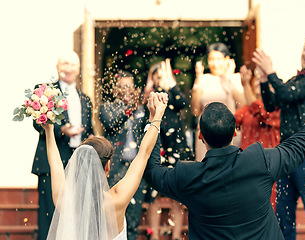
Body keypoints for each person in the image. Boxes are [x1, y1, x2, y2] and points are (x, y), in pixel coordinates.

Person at [144, 66, 305, 239]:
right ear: (234, 132)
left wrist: (155, 120)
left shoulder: (187, 175)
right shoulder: (261, 161)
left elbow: (152, 171)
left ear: (200, 136)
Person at [43, 92, 168, 240]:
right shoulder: (118, 198)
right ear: (107, 167)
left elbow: (56, 165)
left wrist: (49, 131)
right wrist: (156, 116)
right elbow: (144, 154)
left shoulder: (65, 200)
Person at [252, 35, 305, 239]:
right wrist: (263, 79)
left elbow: (286, 94)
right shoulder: (295, 80)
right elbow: (271, 104)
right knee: (283, 215)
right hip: (286, 152)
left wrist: (271, 72)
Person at [31, 51, 94, 240]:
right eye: (65, 63)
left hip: (77, 164)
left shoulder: (86, 99)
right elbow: (37, 123)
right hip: (51, 162)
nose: (68, 68)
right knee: (49, 217)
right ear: (58, 67)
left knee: (74, 216)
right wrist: (61, 129)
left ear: (78, 69)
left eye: (73, 64)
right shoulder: (45, 92)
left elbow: (89, 130)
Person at [144, 59, 194, 240]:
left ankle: (175, 236)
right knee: (154, 197)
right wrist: (149, 87)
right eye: (156, 77)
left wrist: (171, 83)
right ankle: (155, 236)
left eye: (162, 76)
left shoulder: (172, 94)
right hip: (158, 148)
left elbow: (183, 103)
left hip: (177, 149)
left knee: (177, 197)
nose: (160, 80)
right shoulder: (150, 97)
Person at [99, 70, 153, 240]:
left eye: (130, 86)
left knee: (133, 219)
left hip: (136, 170)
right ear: (115, 89)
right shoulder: (106, 107)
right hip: (115, 168)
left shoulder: (142, 110)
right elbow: (111, 123)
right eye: (123, 86)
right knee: (112, 219)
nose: (127, 90)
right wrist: (130, 108)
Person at [234, 65, 280, 210]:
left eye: (263, 85)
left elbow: (261, 111)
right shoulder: (246, 109)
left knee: (268, 208)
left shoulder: (276, 108)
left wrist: (245, 84)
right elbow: (230, 122)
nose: (259, 88)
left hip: (268, 166)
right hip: (247, 166)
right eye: (256, 85)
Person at [191, 42, 245, 161]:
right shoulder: (204, 79)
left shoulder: (235, 78)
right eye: (211, 59)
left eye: (219, 59)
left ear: (227, 60)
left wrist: (227, 79)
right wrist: (198, 78)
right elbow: (195, 110)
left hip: (229, 132)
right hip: (206, 134)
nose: (215, 63)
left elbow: (243, 104)